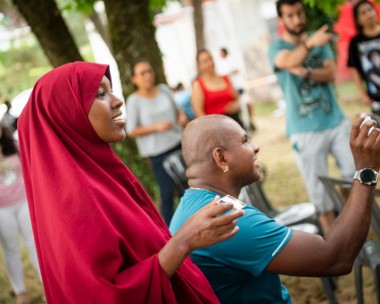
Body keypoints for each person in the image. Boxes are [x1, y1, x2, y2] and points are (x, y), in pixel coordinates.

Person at [18, 61, 244, 303]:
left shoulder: (101, 173)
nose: (117, 101)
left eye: (111, 90)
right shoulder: (75, 199)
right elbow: (105, 295)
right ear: (68, 113)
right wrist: (184, 241)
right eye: (101, 94)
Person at [170, 114, 380, 303]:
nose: (255, 147)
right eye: (245, 141)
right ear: (221, 158)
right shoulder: (225, 218)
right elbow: (335, 257)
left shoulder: (193, 203)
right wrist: (366, 170)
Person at [268, 0, 356, 233]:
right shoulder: (277, 48)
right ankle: (332, 246)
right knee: (319, 192)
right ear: (281, 20)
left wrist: (305, 70)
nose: (297, 20)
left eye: (299, 13)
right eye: (290, 16)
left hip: (335, 122)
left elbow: (329, 73)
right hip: (303, 129)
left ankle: (350, 226)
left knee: (353, 176)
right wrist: (308, 45)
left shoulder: (319, 40)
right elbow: (287, 61)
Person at [126, 60, 187, 225]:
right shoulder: (134, 101)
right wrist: (156, 127)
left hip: (177, 144)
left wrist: (181, 116)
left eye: (149, 71)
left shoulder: (164, 90)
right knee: (167, 193)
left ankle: (198, 221)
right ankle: (168, 232)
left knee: (187, 188)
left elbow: (178, 110)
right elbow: (131, 130)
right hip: (158, 154)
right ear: (134, 79)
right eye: (142, 73)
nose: (147, 76)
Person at [0, 125, 41, 304]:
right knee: (11, 250)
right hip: (2, 209)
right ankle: (20, 293)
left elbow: (29, 166)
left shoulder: (14, 144)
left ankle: (47, 284)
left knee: (35, 245)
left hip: (23, 202)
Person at [191, 49, 243, 127]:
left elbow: (237, 99)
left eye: (210, 58)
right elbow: (199, 114)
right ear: (199, 66)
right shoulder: (198, 84)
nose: (210, 63)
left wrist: (236, 105)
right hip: (216, 128)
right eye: (205, 61)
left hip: (235, 123)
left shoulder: (225, 78)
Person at [347, 0, 380, 115]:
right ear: (357, 19)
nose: (368, 14)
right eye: (363, 12)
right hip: (375, 96)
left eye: (370, 10)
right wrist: (363, 94)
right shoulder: (356, 42)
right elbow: (354, 69)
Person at [217, 47, 256, 132]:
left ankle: (248, 124)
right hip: (230, 90)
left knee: (244, 105)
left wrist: (228, 75)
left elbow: (237, 70)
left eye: (220, 53)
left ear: (224, 52)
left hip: (238, 87)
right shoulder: (221, 64)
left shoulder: (231, 60)